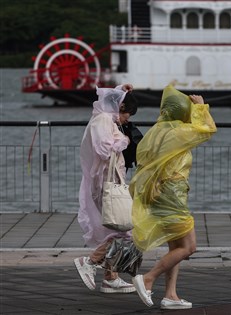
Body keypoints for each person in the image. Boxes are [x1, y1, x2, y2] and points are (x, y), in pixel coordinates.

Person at [129, 85, 217, 310]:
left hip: (159, 194)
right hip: (171, 197)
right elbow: (208, 129)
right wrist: (200, 107)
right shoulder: (178, 133)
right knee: (188, 247)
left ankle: (171, 295)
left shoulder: (157, 132)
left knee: (175, 247)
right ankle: (148, 278)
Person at [74, 84, 138, 294]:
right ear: (119, 108)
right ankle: (90, 262)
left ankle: (111, 276)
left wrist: (122, 89)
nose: (127, 119)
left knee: (116, 229)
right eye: (127, 114)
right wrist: (125, 140)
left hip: (109, 181)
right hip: (105, 183)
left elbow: (110, 97)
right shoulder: (102, 120)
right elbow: (104, 148)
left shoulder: (105, 117)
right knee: (123, 231)